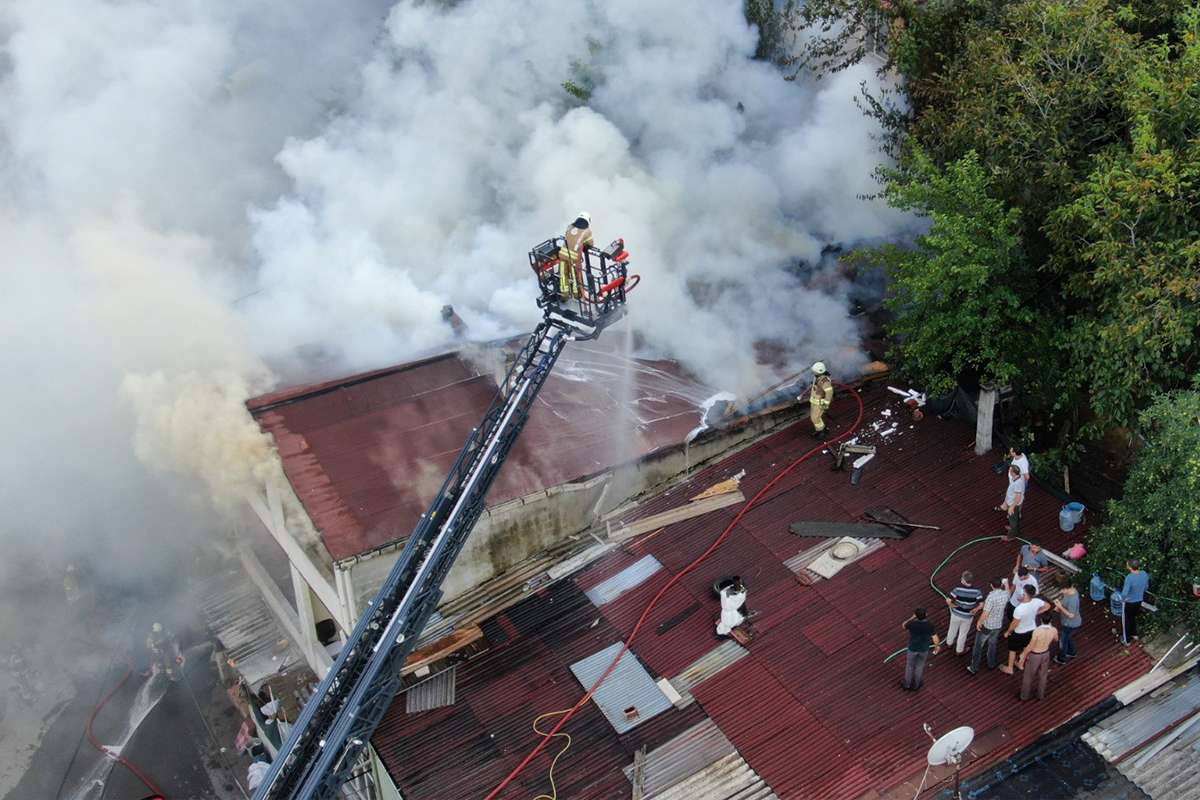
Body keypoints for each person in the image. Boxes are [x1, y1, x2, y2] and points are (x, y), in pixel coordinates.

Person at [1000, 585, 1048, 675]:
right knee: (1026, 647)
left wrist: (1008, 631)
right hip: (1031, 629)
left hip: (1019, 632)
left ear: (1025, 594)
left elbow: (1015, 623)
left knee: (1012, 649)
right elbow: (1047, 606)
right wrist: (1037, 612)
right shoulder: (1036, 601)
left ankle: (1010, 668)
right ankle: (1021, 664)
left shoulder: (1019, 609)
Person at [969, 577, 1010, 674]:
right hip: (998, 624)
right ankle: (991, 663)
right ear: (1001, 585)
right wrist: (1006, 583)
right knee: (993, 644)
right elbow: (1009, 592)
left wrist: (979, 622)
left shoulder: (990, 598)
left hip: (987, 625)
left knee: (978, 646)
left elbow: (986, 613)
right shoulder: (1005, 594)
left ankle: (974, 667)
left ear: (991, 586)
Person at [1018, 612, 1058, 700]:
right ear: (1051, 620)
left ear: (1041, 620)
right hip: (1046, 653)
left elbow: (1030, 646)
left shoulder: (1037, 631)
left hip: (1035, 655)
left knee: (1028, 676)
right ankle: (1040, 695)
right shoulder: (1054, 630)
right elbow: (1056, 639)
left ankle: (1024, 696)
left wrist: (1023, 655)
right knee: (1043, 676)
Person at [901, 608, 941, 691]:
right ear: (926, 614)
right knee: (919, 666)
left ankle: (907, 684)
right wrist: (937, 646)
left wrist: (912, 617)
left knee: (909, 666)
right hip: (923, 649)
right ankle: (916, 684)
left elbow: (904, 625)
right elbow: (935, 638)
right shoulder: (930, 625)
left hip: (912, 648)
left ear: (916, 615)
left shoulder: (912, 624)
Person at [944, 571, 984, 655]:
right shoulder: (977, 592)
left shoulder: (957, 589)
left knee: (952, 629)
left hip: (956, 614)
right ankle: (959, 650)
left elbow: (948, 600)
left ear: (964, 580)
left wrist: (952, 605)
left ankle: (949, 643)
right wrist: (975, 609)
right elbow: (982, 604)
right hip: (967, 616)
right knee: (963, 633)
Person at [557, 211, 593, 299]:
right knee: (575, 276)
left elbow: (567, 236)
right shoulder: (587, 231)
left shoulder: (570, 226)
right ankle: (577, 295)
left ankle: (564, 295)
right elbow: (590, 244)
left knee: (563, 275)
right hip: (574, 258)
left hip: (562, 254)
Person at [1053, 580, 1082, 664]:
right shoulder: (1070, 592)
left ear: (1066, 589)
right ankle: (1072, 652)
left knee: (1063, 641)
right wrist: (1059, 606)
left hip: (1070, 624)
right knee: (1068, 638)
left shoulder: (1073, 599)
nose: (1060, 591)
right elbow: (1064, 602)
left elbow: (1071, 615)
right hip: (1068, 622)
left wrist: (1060, 607)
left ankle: (1061, 658)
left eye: (1061, 589)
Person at [1121, 559, 1150, 644]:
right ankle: (1134, 634)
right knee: (1132, 617)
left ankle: (1127, 640)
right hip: (1139, 601)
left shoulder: (1129, 578)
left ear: (1130, 567)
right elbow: (1146, 587)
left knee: (1126, 621)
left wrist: (1123, 599)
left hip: (1129, 602)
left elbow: (1124, 593)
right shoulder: (1144, 574)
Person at [805, 361, 834, 440]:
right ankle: (821, 429)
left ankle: (821, 432)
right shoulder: (817, 377)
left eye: (814, 371)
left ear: (819, 371)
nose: (813, 372)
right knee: (816, 417)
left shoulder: (824, 381)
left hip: (819, 403)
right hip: (814, 401)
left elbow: (829, 392)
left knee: (814, 418)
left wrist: (826, 403)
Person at [998, 464, 1025, 540]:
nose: (1009, 471)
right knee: (1014, 518)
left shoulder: (1017, 483)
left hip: (1014, 505)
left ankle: (1011, 536)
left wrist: (1012, 507)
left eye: (1010, 470)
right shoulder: (1017, 478)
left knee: (1013, 520)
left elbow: (1018, 497)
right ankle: (1014, 529)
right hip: (1011, 502)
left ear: (1013, 473)